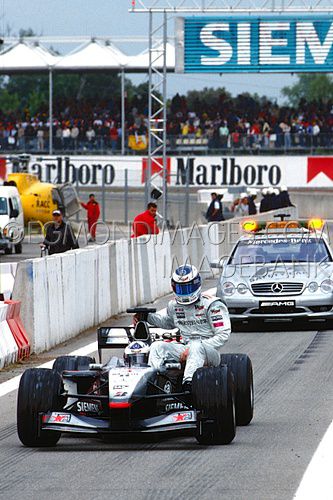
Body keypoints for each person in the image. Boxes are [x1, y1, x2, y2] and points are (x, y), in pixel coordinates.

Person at [134, 265, 231, 391]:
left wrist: (195, 347)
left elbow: (223, 335)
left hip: (209, 351)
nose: (185, 292)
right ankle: (153, 383)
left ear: (197, 284)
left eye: (188, 287)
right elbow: (168, 322)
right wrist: (146, 317)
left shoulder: (212, 305)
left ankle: (189, 386)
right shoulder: (174, 305)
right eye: (181, 288)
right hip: (185, 348)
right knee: (157, 346)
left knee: (196, 346)